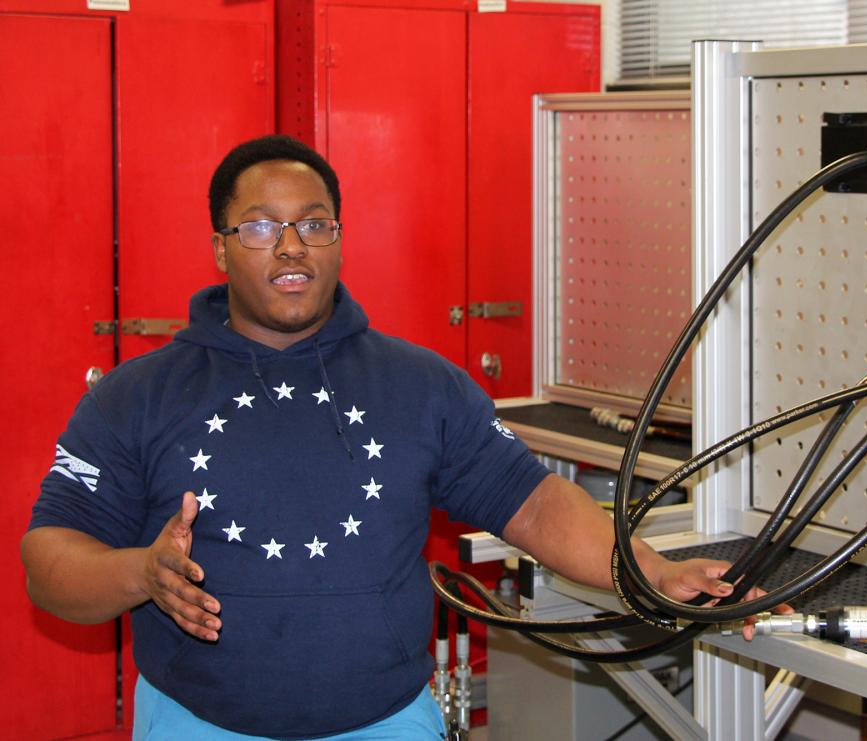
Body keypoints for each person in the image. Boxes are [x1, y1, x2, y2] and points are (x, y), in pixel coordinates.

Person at [21, 135, 772, 739]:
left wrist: (646, 569)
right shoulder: (136, 396)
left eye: (314, 223)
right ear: (220, 247)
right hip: (195, 722)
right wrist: (139, 575)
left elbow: (535, 505)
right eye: (259, 226)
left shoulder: (421, 386)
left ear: (338, 238)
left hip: (385, 722)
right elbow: (47, 561)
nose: (291, 247)